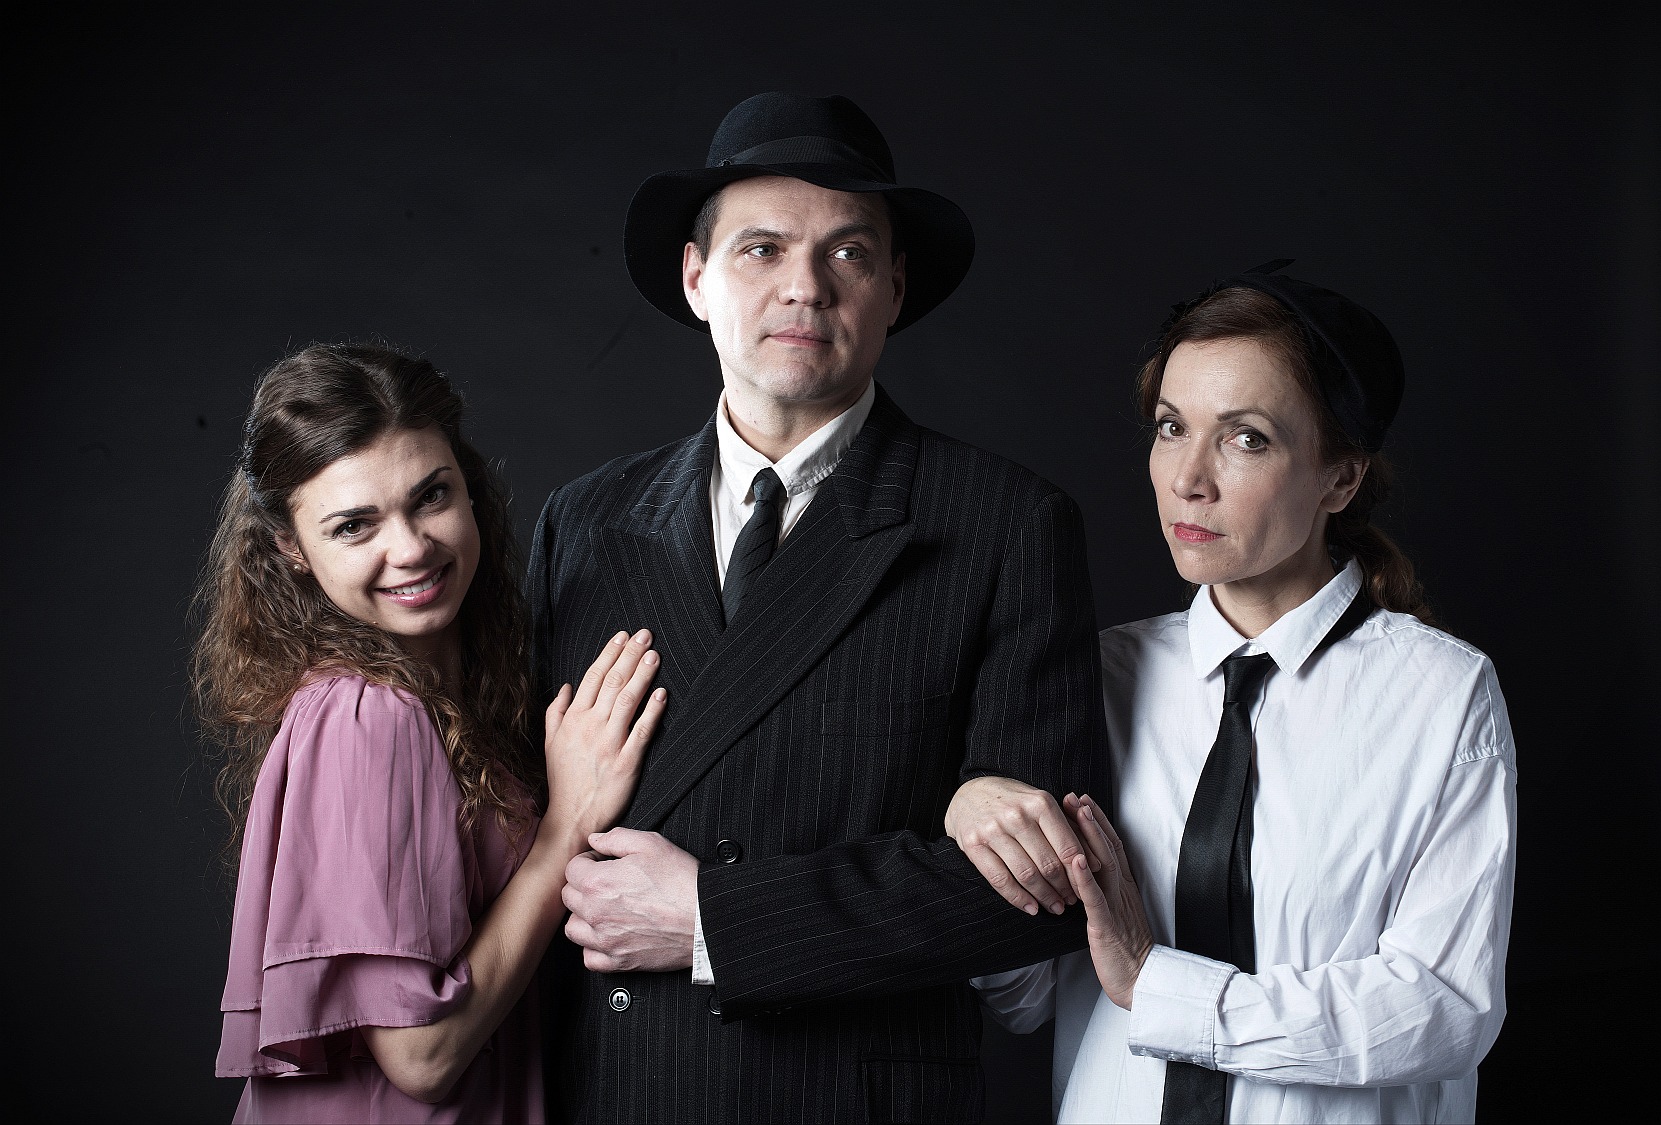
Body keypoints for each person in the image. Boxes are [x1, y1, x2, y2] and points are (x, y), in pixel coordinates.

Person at [529, 92, 1107, 1122]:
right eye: (760, 249)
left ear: (894, 288)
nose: (804, 285)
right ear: (696, 278)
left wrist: (712, 918)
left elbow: (1041, 894)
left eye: (847, 253)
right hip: (618, 1090)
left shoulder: (1005, 523)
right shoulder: (581, 520)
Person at [955, 264, 1518, 1123]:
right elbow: (1021, 994)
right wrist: (973, 824)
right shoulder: (1092, 676)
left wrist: (1160, 985)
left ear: (1339, 478)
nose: (1188, 478)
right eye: (1171, 426)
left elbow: (1442, 1009)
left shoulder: (1441, 694)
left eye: (1245, 438)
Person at [195, 344, 667, 1123]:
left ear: (467, 486)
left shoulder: (448, 692)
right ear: (290, 547)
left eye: (430, 496)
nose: (411, 546)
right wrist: (566, 825)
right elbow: (422, 1055)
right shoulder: (369, 714)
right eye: (354, 525)